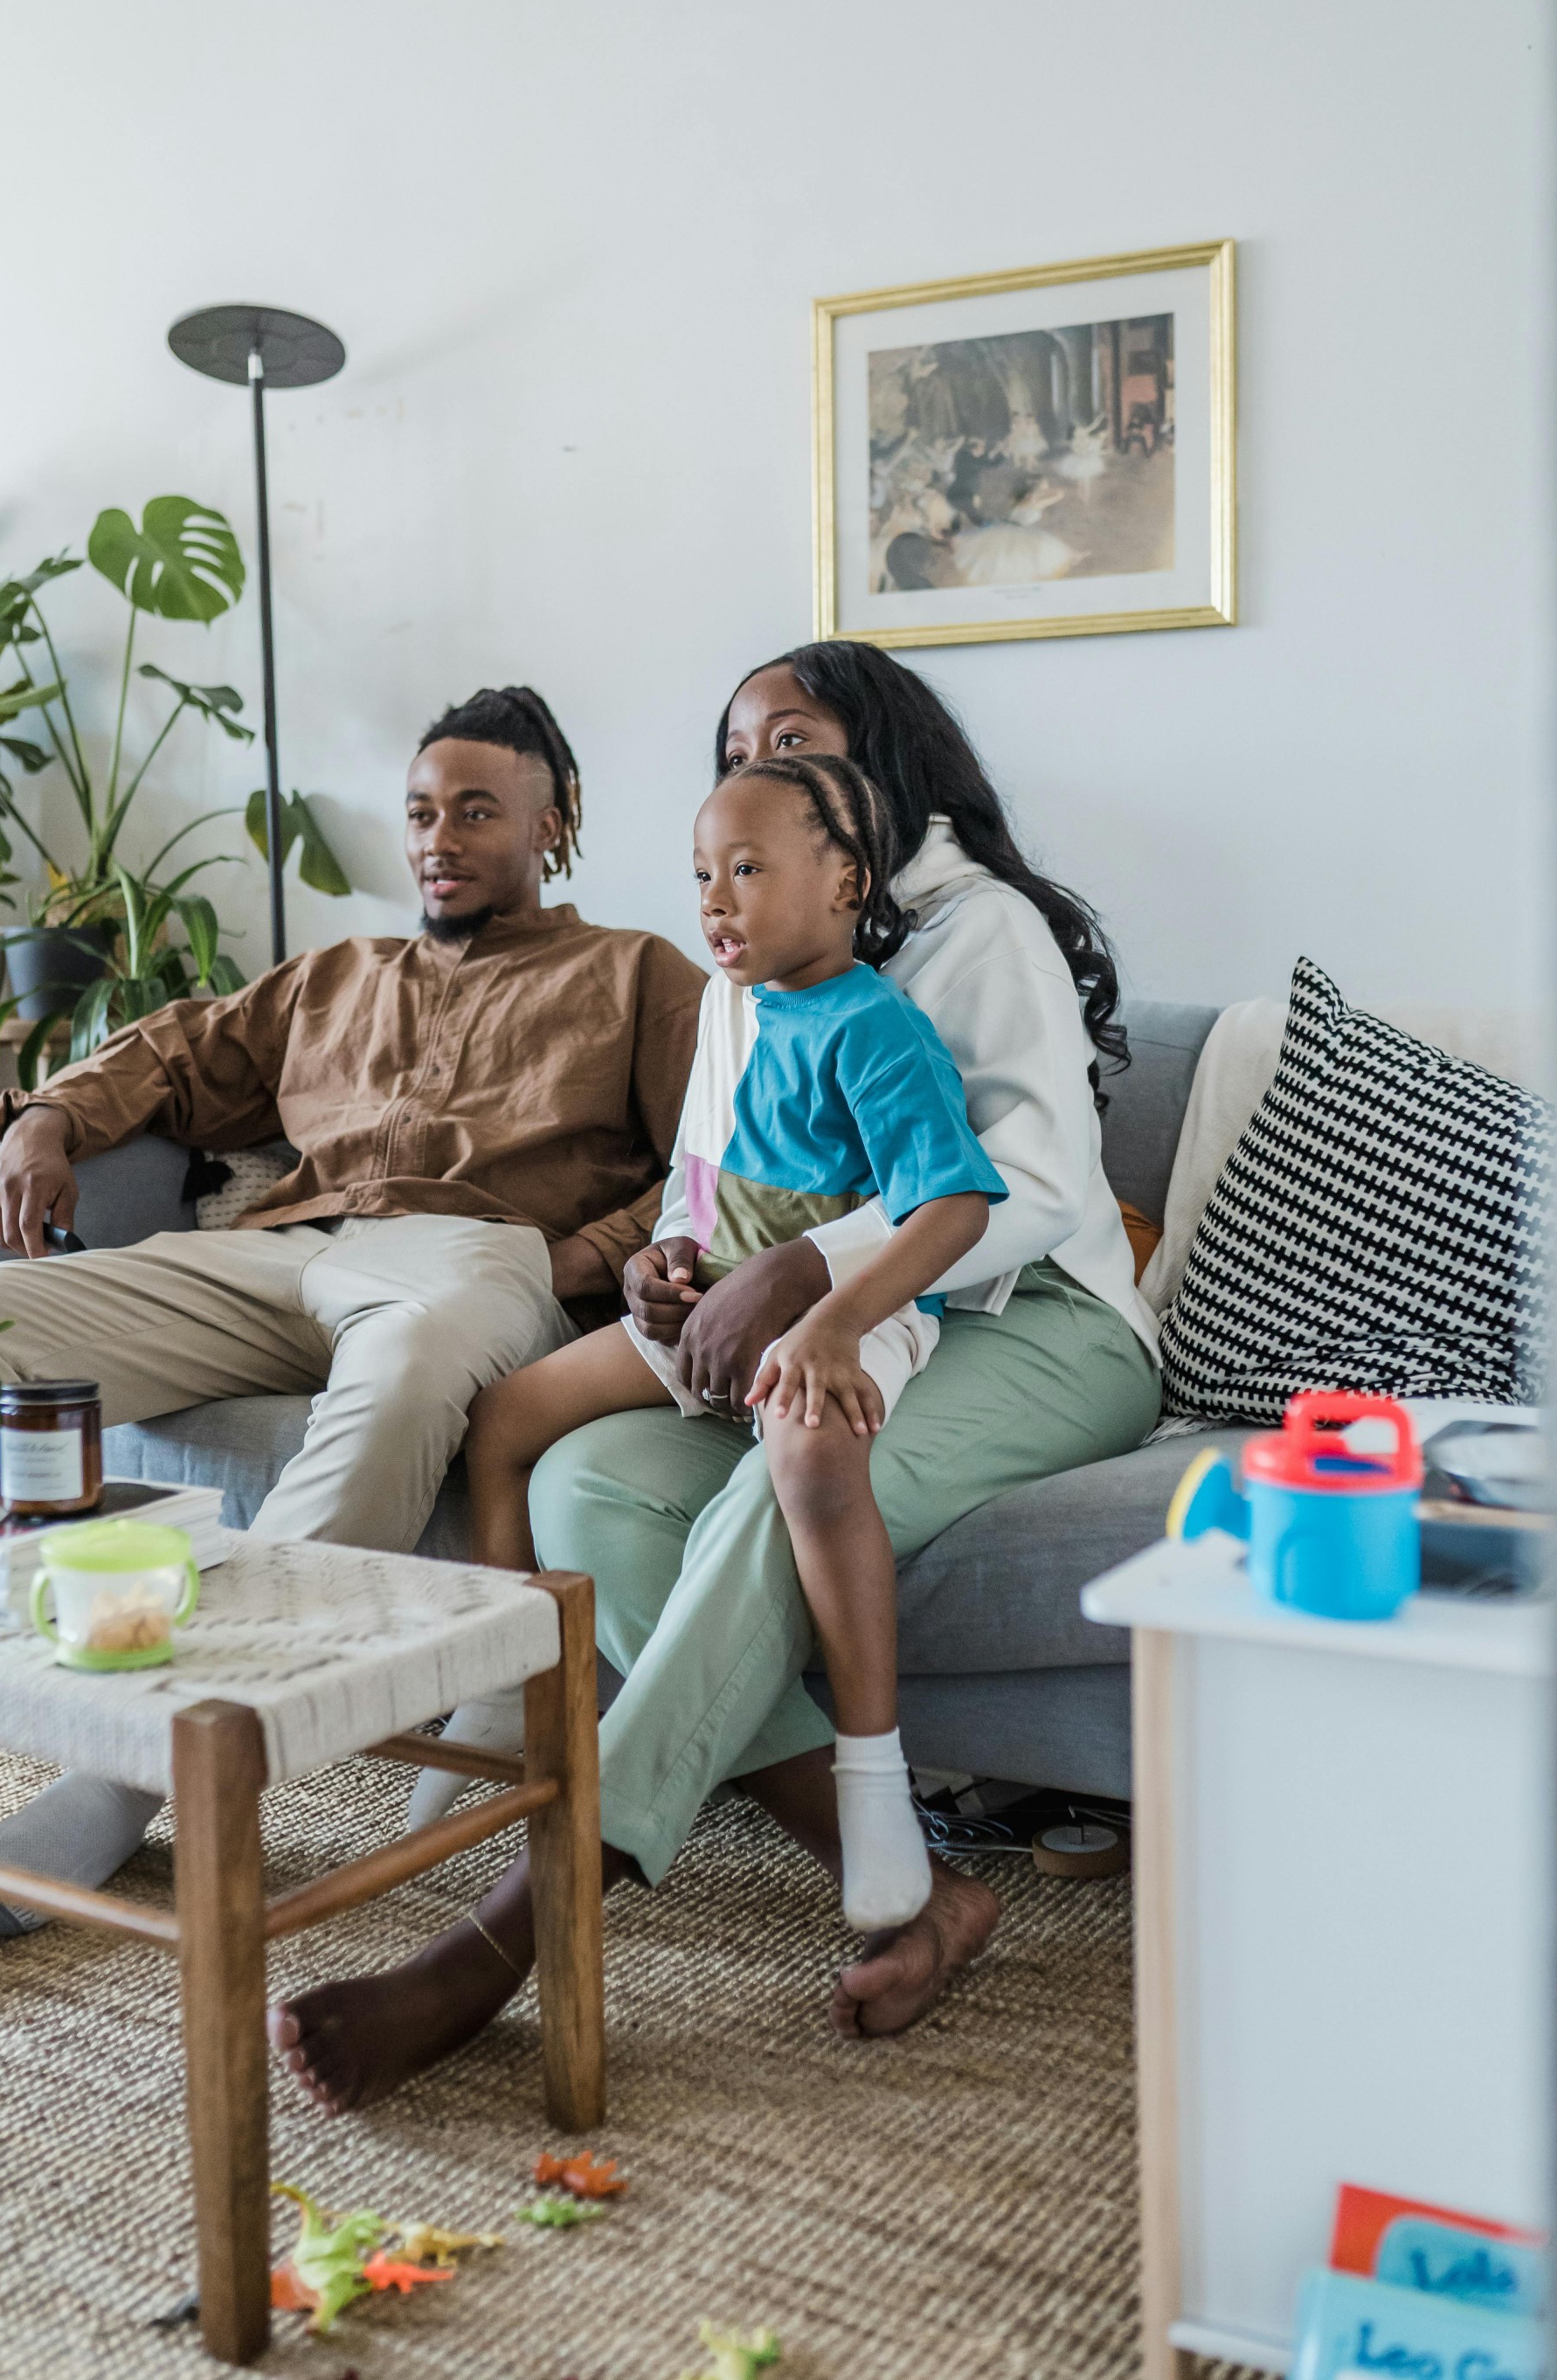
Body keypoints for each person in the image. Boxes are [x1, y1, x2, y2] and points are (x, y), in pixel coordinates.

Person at [271, 642, 1163, 2114]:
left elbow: (1036, 1192)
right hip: (834, 1316)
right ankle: (922, 1888)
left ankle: (509, 1935)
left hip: (1040, 1320)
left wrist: (804, 1277)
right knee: (589, 1485)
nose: (766, 763)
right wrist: (668, 1264)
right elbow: (711, 1173)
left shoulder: (976, 929)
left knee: (779, 1490)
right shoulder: (752, 956)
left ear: (875, 768)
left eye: (799, 735)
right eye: (739, 745)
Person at [0, 685, 704, 1983]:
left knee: (401, 1376)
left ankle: (131, 1781)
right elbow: (175, 1053)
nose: (439, 838)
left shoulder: (637, 974)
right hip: (283, 1250)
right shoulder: (340, 977)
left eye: (475, 811)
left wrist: (586, 1258)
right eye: (419, 813)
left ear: (551, 825)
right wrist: (45, 1124)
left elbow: (711, 1167)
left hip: (474, 1257)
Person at [422, 752, 1004, 1934]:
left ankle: (878, 1782)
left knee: (809, 1457)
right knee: (505, 1417)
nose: (716, 902)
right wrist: (656, 1270)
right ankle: (508, 1692)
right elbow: (696, 1197)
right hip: (725, 1306)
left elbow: (955, 1207)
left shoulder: (878, 1029)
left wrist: (836, 1322)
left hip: (855, 1315)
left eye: (747, 870)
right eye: (701, 875)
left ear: (846, 881)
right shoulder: (735, 1011)